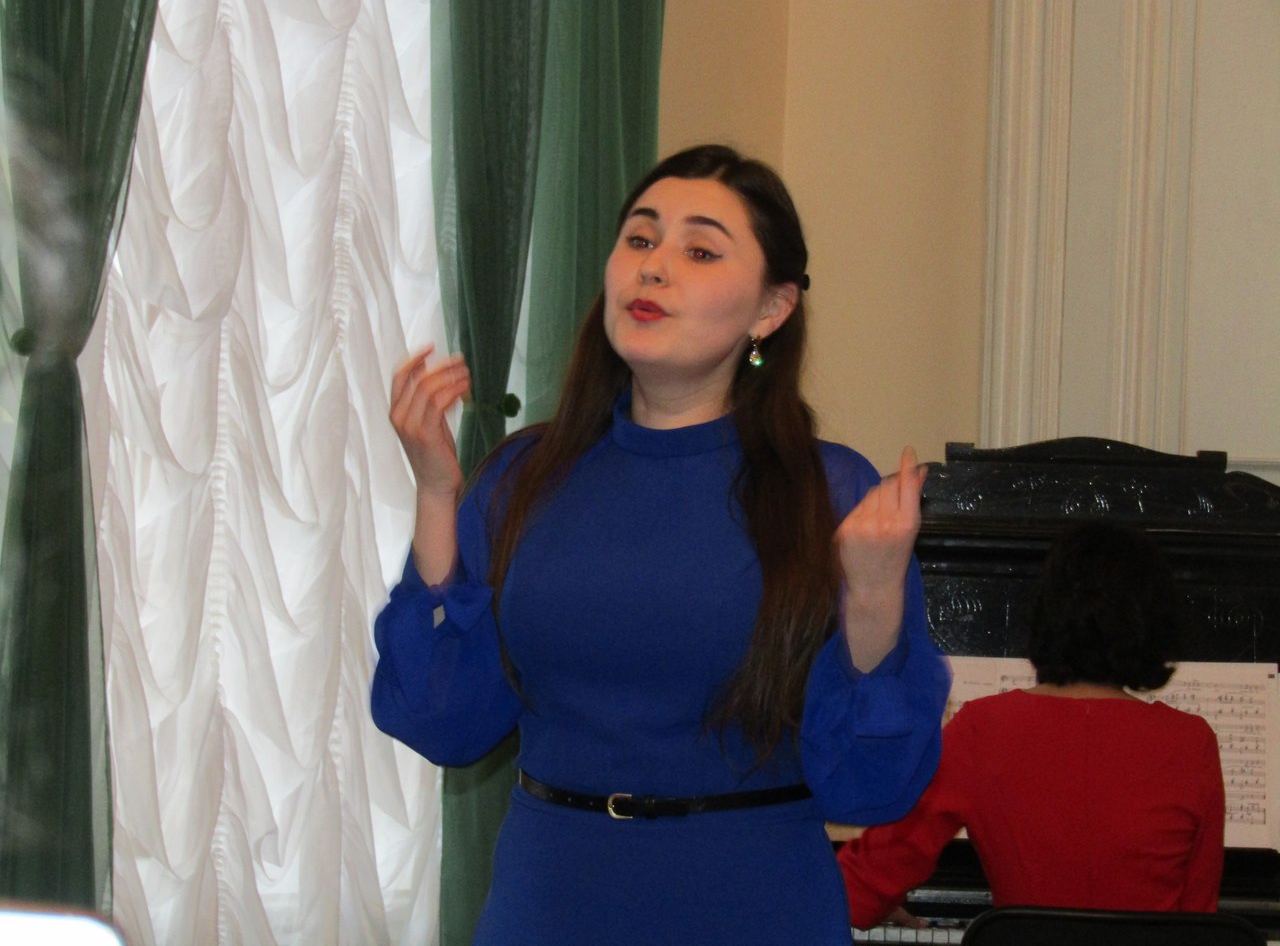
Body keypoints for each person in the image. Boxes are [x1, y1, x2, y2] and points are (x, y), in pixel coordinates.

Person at [370, 144, 951, 945]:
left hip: (753, 907)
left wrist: (877, 595)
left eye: (700, 251)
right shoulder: (522, 478)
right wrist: (438, 493)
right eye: (640, 239)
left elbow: (869, 789)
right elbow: (445, 724)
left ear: (771, 309)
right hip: (549, 902)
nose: (653, 266)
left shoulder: (831, 492)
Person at [839, 519, 1226, 931]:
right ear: (1153, 624)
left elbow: (860, 889)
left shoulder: (981, 729)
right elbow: (1200, 926)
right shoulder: (1192, 743)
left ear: (1046, 612)